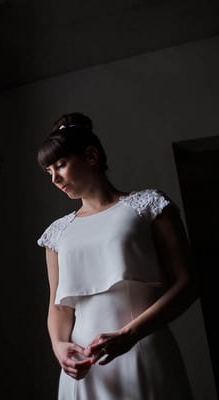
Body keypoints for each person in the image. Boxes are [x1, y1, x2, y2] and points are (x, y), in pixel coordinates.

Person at [35, 112, 199, 399]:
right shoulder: (56, 233)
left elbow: (188, 283)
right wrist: (59, 346)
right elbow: (59, 307)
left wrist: (130, 335)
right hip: (84, 366)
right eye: (49, 171)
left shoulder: (149, 206)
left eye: (60, 165)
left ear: (91, 156)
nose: (55, 178)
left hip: (144, 348)